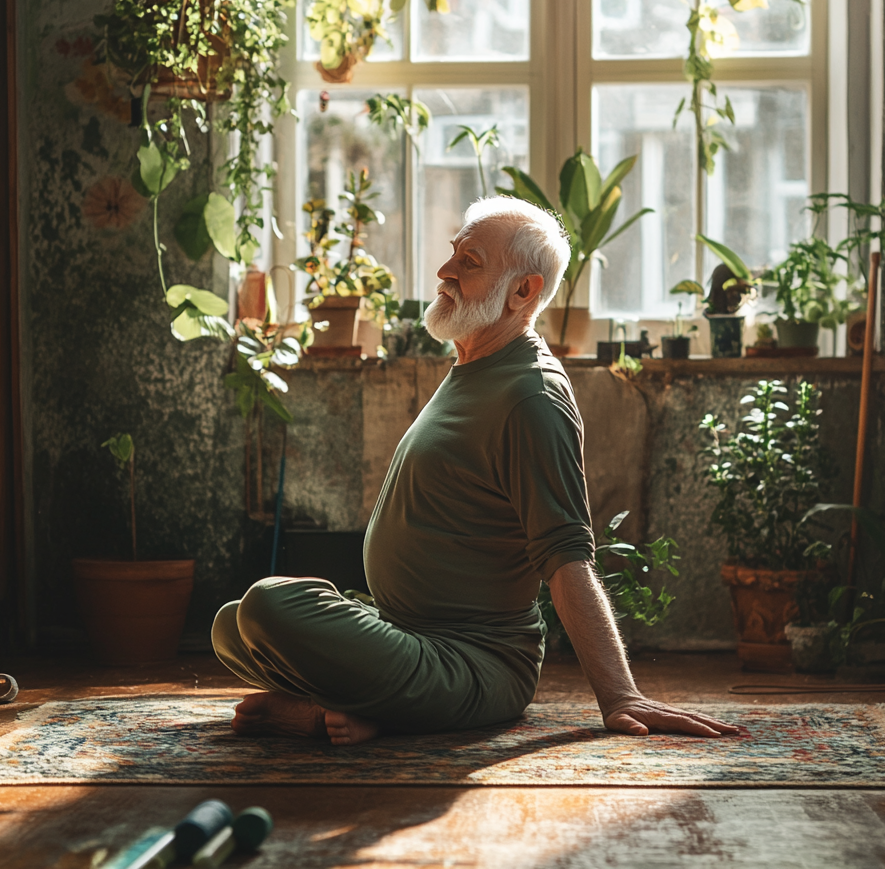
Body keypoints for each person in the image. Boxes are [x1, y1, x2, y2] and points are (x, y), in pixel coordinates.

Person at [211, 197, 738, 745]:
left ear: (523, 291)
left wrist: (621, 696)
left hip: (471, 663)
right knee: (232, 624)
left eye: (470, 262)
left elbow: (567, 557)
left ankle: (329, 715)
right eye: (453, 255)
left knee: (274, 606)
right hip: (402, 632)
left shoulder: (531, 395)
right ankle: (368, 706)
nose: (445, 272)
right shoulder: (474, 364)